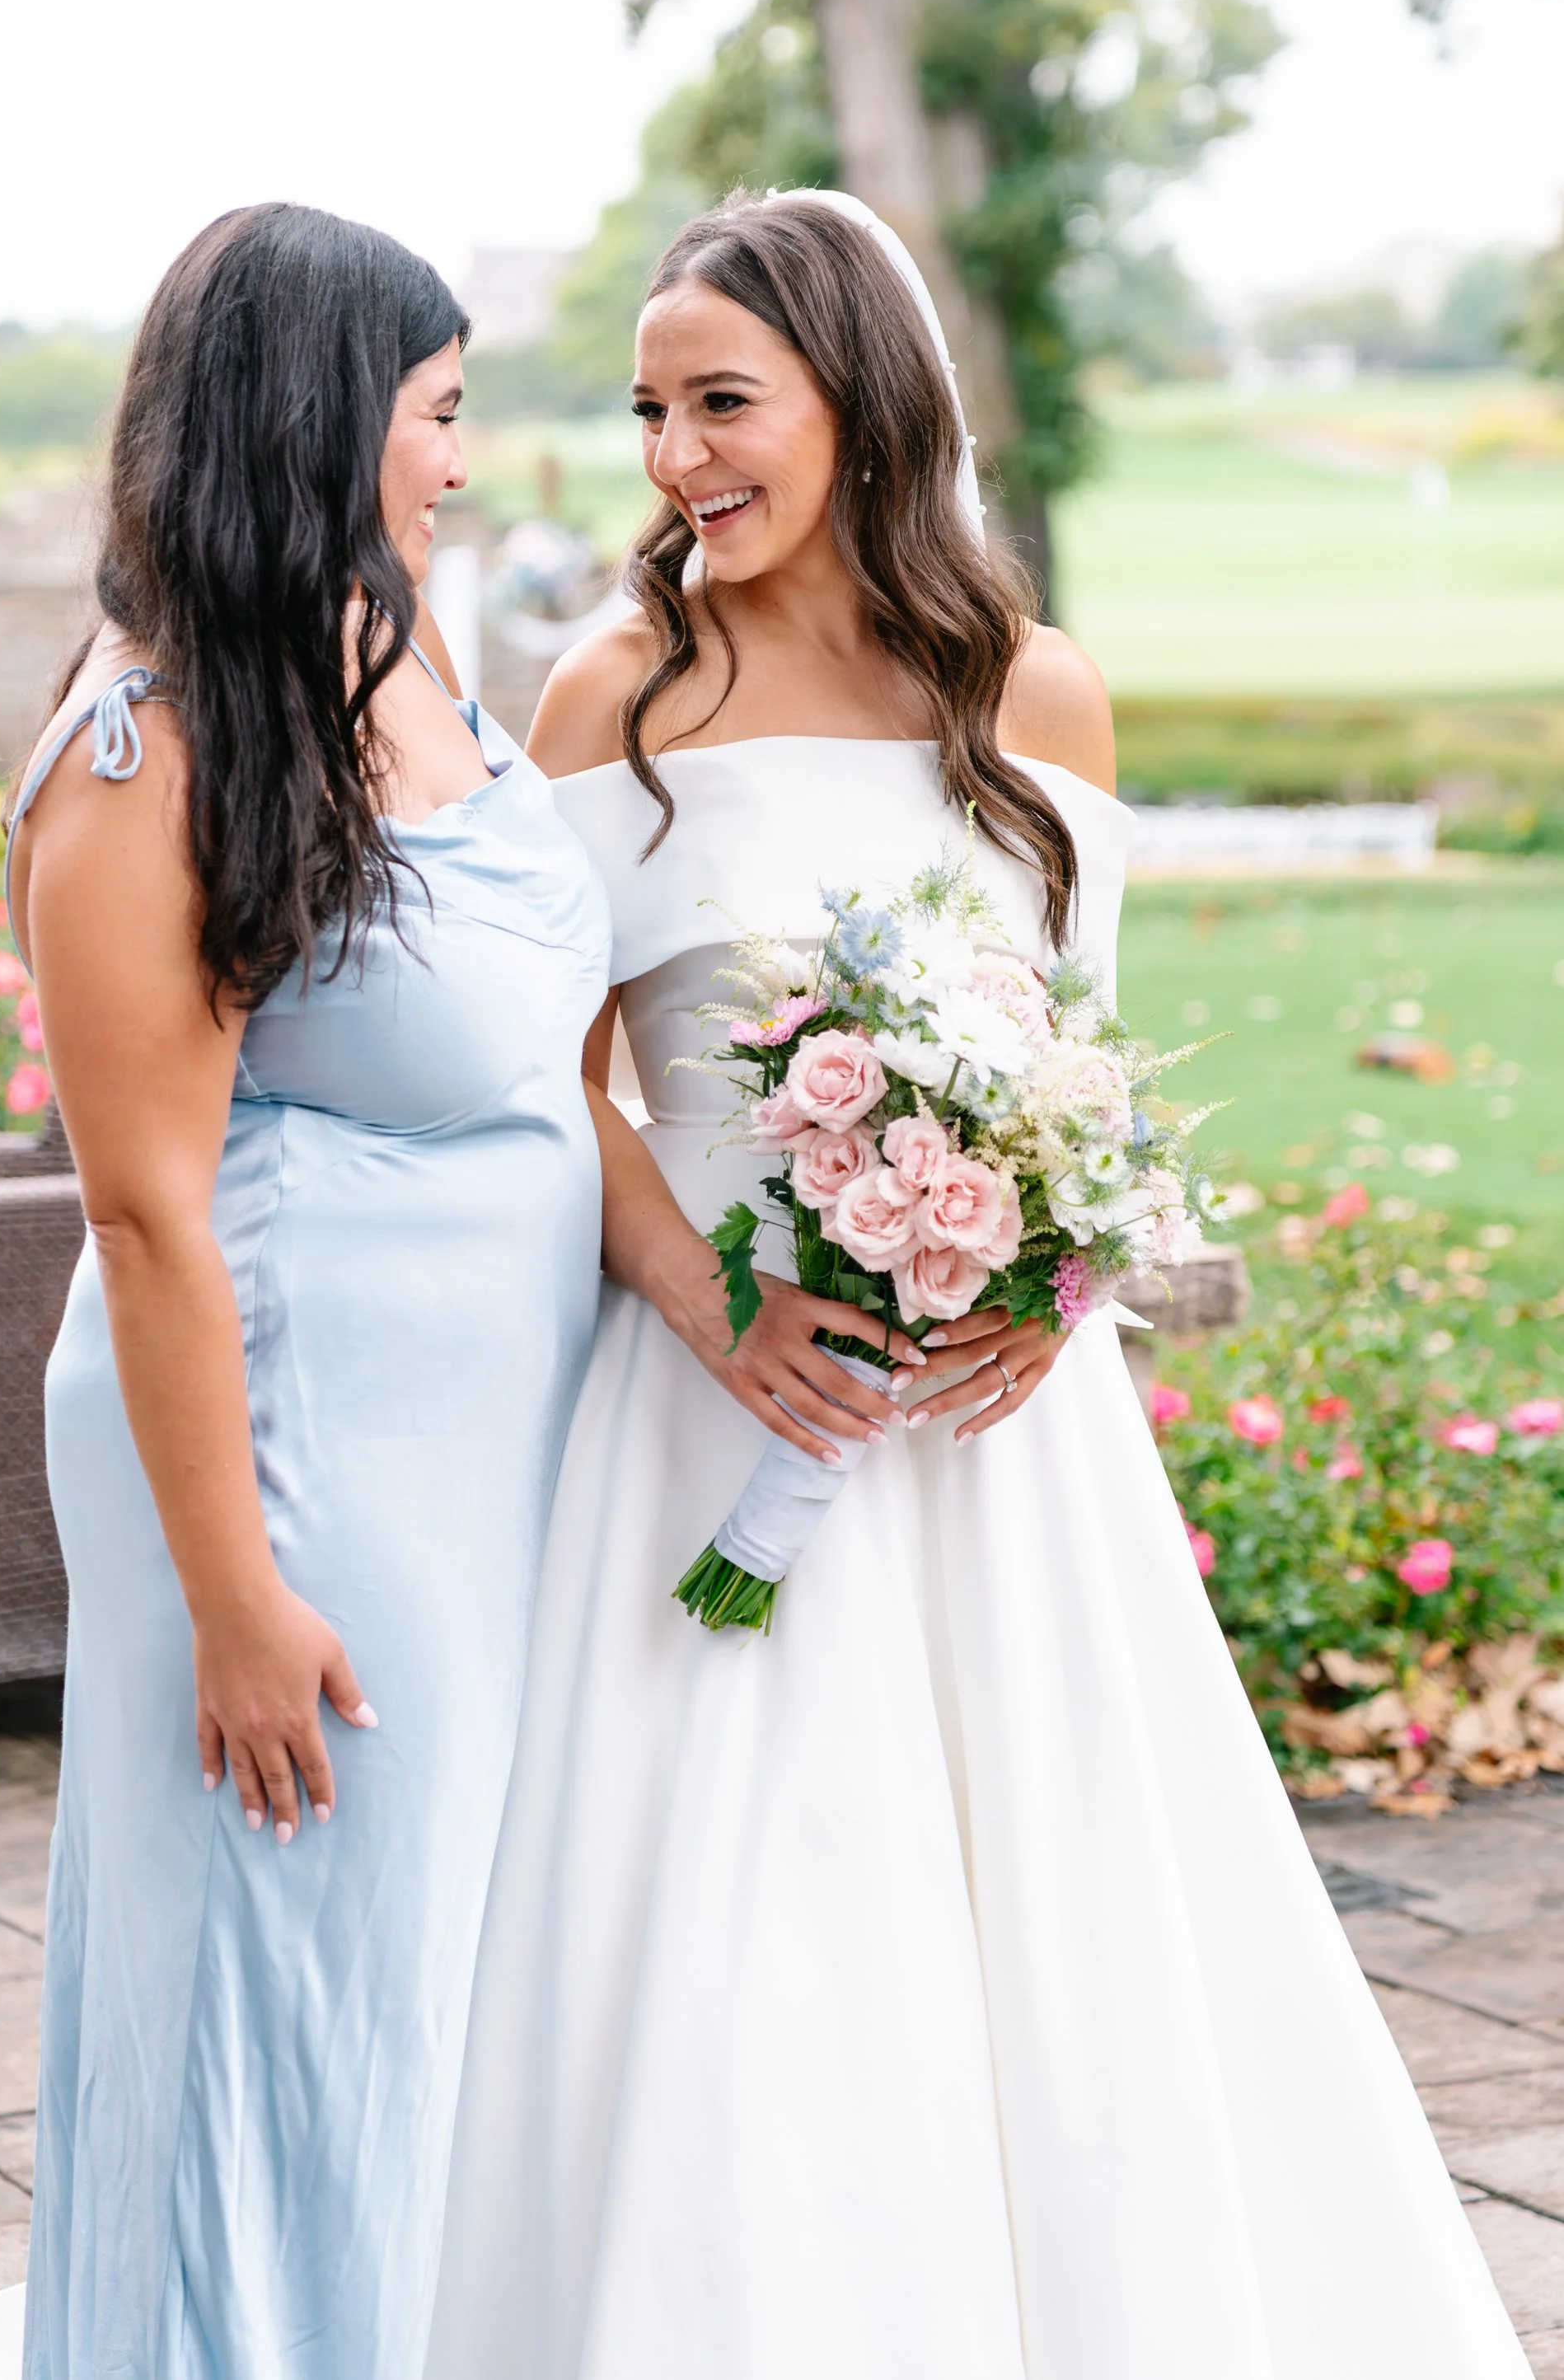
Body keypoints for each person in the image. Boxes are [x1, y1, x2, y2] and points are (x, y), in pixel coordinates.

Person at [425, 190, 1529, 2379]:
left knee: (1064, 1920)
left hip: (1010, 1449)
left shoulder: (1036, 692)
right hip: (710, 1422)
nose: (673, 454)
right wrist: (708, 1305)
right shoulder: (610, 692)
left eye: (721, 401)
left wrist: (1068, 1268)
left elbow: (1088, 1074)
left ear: (862, 399)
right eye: (650, 408)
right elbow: (553, 1097)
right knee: (727, 1929)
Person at [0, 204, 611, 2380]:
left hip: (468, 1461)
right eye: (435, 417)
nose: (459, 468)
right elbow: (147, 1213)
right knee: (288, 1970)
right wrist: (235, 1593)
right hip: (292, 1458)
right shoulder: (148, 748)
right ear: (316, 420)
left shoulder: (384, 645)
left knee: (412, 1977)